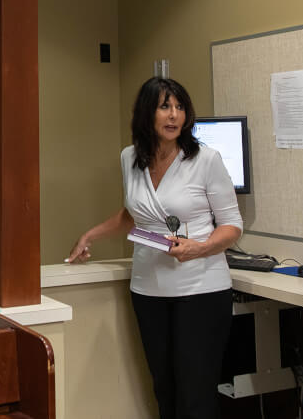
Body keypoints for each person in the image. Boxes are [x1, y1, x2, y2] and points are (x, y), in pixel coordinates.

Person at [67, 77, 243, 419]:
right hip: (148, 288)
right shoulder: (130, 157)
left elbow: (232, 226)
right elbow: (134, 215)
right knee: (164, 389)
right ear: (147, 113)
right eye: (165, 106)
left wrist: (199, 248)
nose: (174, 115)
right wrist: (90, 236)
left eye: (179, 107)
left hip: (200, 288)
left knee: (195, 395)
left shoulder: (206, 159)